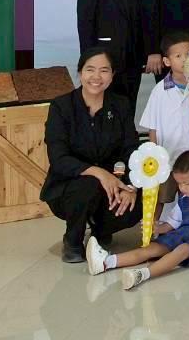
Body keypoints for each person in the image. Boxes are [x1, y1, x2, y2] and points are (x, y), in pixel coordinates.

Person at [41, 48, 142, 263]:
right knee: (89, 184)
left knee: (142, 198)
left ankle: (100, 229)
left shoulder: (121, 105)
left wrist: (130, 186)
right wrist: (99, 173)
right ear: (80, 73)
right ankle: (73, 240)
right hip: (70, 187)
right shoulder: (61, 106)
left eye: (104, 70)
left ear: (112, 75)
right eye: (90, 70)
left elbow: (131, 149)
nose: (96, 77)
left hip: (114, 183)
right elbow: (58, 158)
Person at [84, 150, 189, 291]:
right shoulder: (184, 200)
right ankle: (105, 262)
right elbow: (172, 224)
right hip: (180, 234)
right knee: (151, 249)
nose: (182, 188)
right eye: (179, 184)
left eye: (187, 183)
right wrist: (158, 228)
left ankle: (143, 274)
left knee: (183, 249)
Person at [138, 30, 189, 217]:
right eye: (178, 56)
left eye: (188, 54)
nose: (184, 60)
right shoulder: (159, 91)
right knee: (162, 194)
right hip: (169, 156)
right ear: (167, 61)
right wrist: (154, 153)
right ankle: (152, 226)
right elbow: (152, 126)